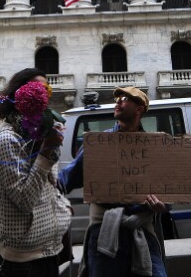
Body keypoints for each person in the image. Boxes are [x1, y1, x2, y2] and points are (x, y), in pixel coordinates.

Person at [59, 86, 168, 277]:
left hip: (142, 231)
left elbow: (169, 187)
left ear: (139, 108)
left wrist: (163, 204)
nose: (117, 102)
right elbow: (68, 177)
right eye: (117, 98)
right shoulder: (100, 143)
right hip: (105, 234)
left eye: (124, 98)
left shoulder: (156, 146)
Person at [0, 68, 72, 277]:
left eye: (47, 90)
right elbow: (24, 199)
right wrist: (47, 151)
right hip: (24, 262)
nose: (44, 96)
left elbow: (50, 184)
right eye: (37, 90)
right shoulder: (7, 140)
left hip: (50, 250)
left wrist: (64, 209)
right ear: (20, 95)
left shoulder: (42, 133)